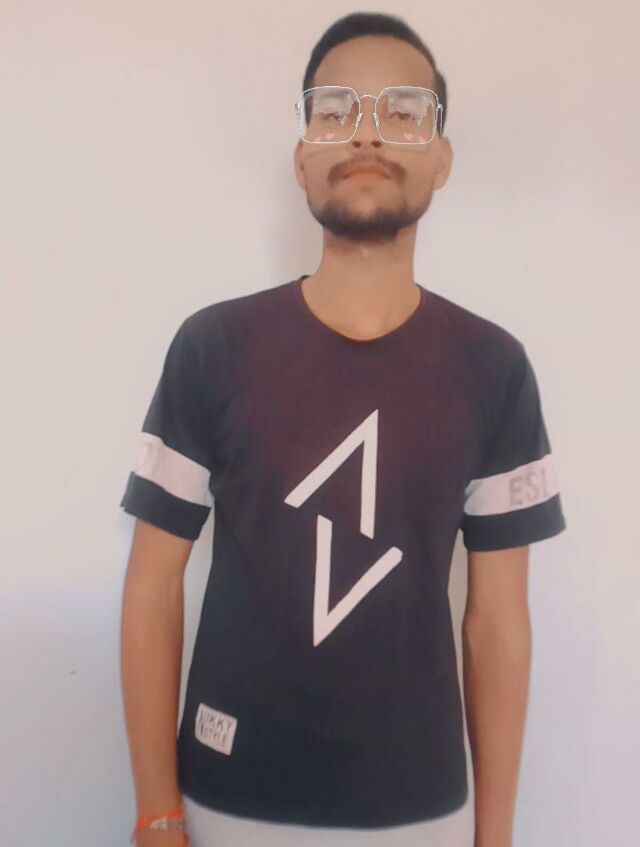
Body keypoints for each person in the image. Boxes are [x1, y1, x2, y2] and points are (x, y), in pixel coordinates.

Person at [120, 11, 567, 847]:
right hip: (224, 798)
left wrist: (496, 835)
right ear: (301, 156)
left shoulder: (495, 368)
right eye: (335, 111)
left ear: (441, 158)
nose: (366, 132)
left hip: (424, 811)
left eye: (402, 111)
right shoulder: (212, 346)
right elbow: (151, 586)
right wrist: (156, 810)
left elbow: (499, 623)